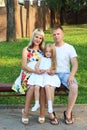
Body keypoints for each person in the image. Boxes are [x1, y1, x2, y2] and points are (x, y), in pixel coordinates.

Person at [39, 25, 78, 125]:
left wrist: (72, 75)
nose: (56, 36)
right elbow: (43, 60)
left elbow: (75, 63)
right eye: (54, 34)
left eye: (58, 34)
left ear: (62, 34)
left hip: (66, 74)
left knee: (74, 87)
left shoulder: (69, 48)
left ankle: (68, 113)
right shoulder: (51, 48)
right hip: (53, 74)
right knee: (49, 89)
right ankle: (51, 113)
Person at [12, 28, 45, 125]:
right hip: (27, 75)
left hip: (39, 75)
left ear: (42, 40)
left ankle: (42, 113)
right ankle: (26, 112)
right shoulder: (26, 50)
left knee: (42, 87)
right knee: (33, 87)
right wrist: (35, 71)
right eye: (36, 36)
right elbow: (24, 66)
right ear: (33, 37)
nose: (38, 39)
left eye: (40, 38)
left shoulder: (43, 51)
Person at [28, 44, 61, 115]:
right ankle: (37, 103)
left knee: (47, 86)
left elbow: (53, 71)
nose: (48, 53)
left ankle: (49, 104)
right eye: (46, 51)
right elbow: (36, 66)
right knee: (36, 86)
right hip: (40, 75)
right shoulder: (41, 58)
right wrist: (38, 69)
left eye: (50, 52)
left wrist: (49, 71)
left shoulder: (53, 61)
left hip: (48, 77)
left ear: (53, 53)